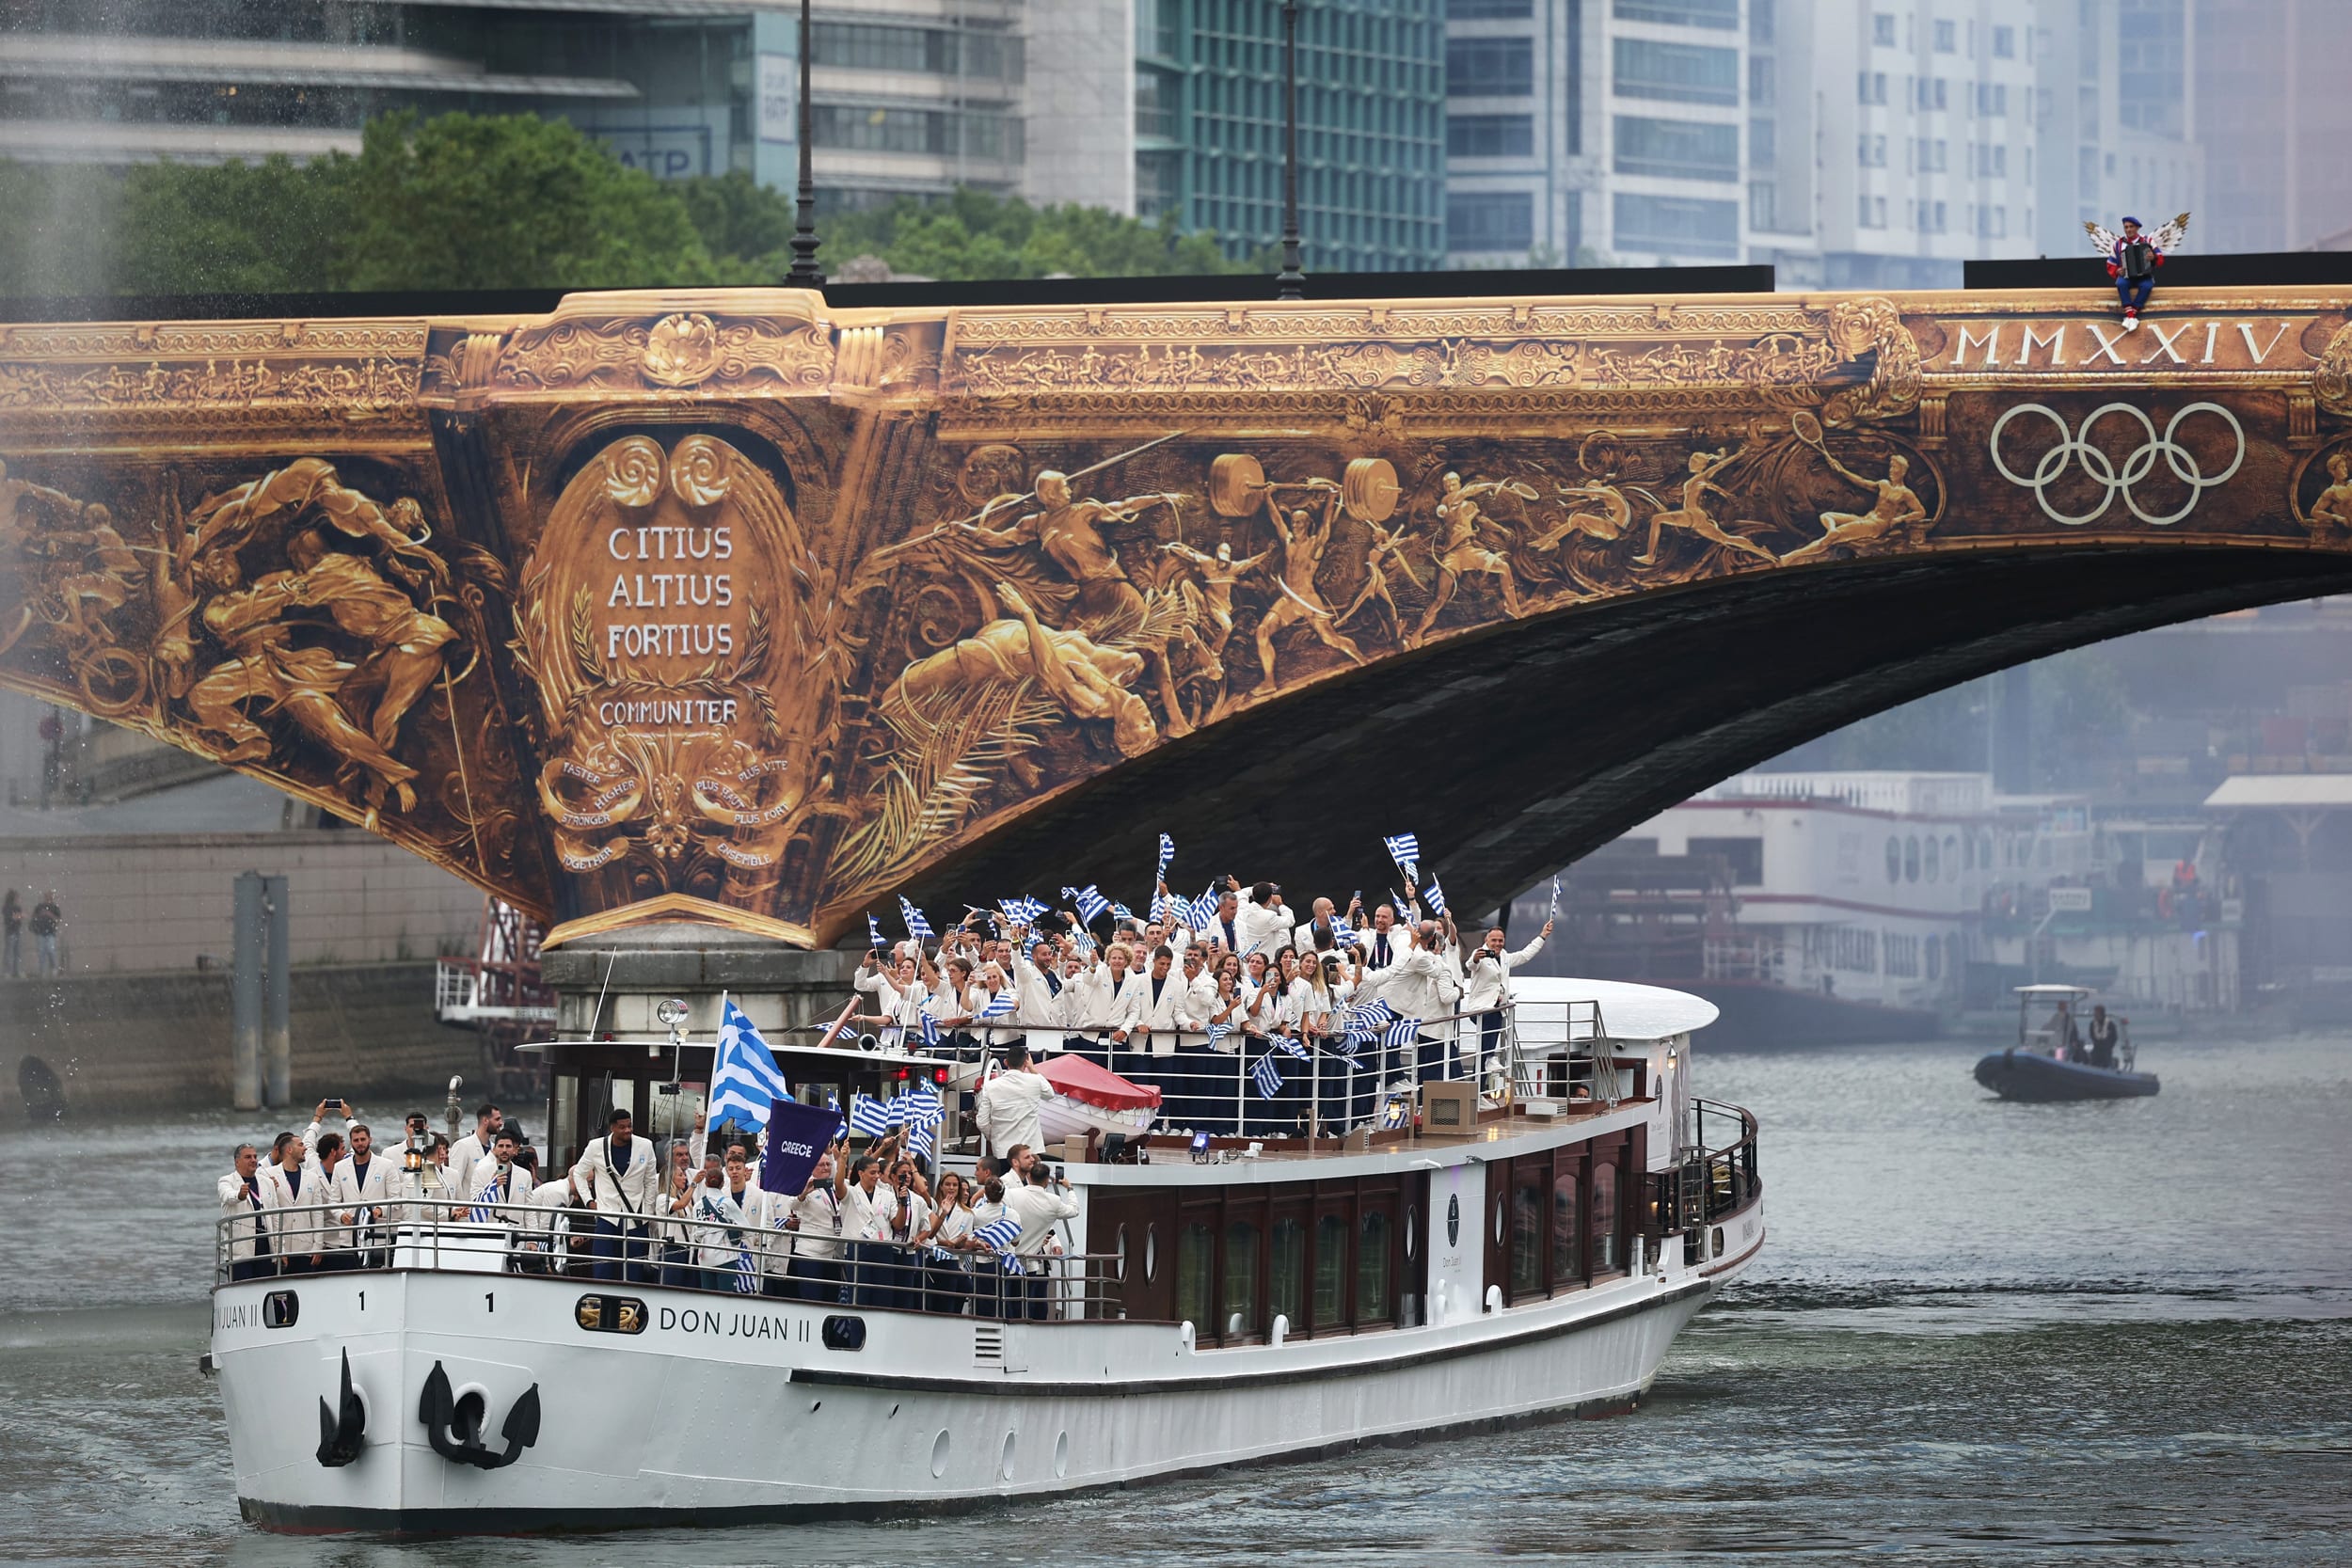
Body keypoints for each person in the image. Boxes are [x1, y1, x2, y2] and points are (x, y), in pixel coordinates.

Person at [1458, 920, 1554, 1086]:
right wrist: (1475, 958)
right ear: (1487, 940)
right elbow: (1471, 965)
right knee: (1489, 1036)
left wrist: (1543, 935)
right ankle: (1490, 1058)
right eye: (1494, 940)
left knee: (1483, 1050)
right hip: (1480, 1008)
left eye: (1500, 940)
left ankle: (1478, 1086)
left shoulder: (1504, 957)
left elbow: (1525, 955)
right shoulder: (1480, 954)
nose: (1497, 943)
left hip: (1496, 1009)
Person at [571, 1107, 660, 1283]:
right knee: (603, 1266)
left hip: (636, 1215)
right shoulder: (595, 1146)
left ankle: (632, 1299)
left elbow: (651, 1181)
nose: (627, 1130)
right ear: (612, 1128)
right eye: (622, 1127)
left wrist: (647, 1212)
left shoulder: (645, 1146)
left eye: (629, 1126)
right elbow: (579, 1174)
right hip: (607, 1215)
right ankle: (601, 1296)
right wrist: (589, 1201)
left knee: (634, 1269)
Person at [1003, 1163, 1081, 1321]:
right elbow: (1074, 1210)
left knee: (1010, 1303)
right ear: (1047, 1181)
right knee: (1030, 1304)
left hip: (1009, 1259)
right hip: (1031, 1262)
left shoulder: (1012, 1194)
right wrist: (1070, 1188)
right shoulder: (1053, 1201)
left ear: (1028, 1176)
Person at [327, 1118, 393, 1268]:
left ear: (370, 1140)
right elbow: (333, 1201)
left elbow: (395, 1199)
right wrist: (341, 1215)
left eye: (363, 1139)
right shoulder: (339, 1167)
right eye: (356, 1140)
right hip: (349, 1238)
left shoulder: (386, 1165)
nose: (360, 1143)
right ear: (351, 1143)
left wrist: (380, 1210)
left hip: (378, 1237)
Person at [787, 1140, 847, 1303]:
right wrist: (803, 1193)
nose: (826, 1168)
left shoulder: (832, 1185)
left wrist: (833, 1154)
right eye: (821, 1165)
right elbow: (792, 1204)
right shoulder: (805, 1184)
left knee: (830, 1299)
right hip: (810, 1254)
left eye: (828, 1164)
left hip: (831, 1253)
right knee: (812, 1300)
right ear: (812, 1167)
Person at [975, 1040, 1053, 1163]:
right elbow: (1049, 1094)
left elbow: (982, 1122)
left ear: (1005, 1062)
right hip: (1030, 1150)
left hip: (1003, 1150)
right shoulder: (1035, 1081)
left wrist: (994, 1136)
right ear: (1025, 1063)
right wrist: (1032, 1069)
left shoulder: (990, 1086)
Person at [260, 1129, 325, 1273]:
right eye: (301, 1145)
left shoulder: (312, 1178)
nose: (305, 1148)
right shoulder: (268, 1175)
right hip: (279, 1248)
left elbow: (317, 1213)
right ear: (289, 1150)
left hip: (305, 1247)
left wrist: (318, 1246)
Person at [218, 1142, 279, 1281]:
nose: (253, 1160)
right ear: (237, 1162)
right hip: (240, 1252)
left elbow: (276, 1217)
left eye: (255, 1156)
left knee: (266, 1288)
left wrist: (279, 1250)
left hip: (265, 1249)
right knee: (243, 1289)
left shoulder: (267, 1183)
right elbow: (227, 1196)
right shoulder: (226, 1181)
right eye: (248, 1157)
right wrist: (239, 1195)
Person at [917, 1170, 976, 1315]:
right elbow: (930, 1235)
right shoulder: (933, 1206)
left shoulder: (968, 1213)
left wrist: (958, 1243)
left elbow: (965, 1243)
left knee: (948, 1305)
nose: (951, 1188)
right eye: (948, 1184)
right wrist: (948, 1243)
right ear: (941, 1187)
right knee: (930, 1303)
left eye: (955, 1185)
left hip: (952, 1261)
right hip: (933, 1259)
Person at [2107, 215, 2164, 328]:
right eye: (2126, 227)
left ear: (2137, 228)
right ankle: (2131, 317)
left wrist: (2153, 257)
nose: (2128, 230)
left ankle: (2131, 315)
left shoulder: (2148, 240)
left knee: (2147, 286)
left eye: (2131, 227)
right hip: (2127, 275)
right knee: (2120, 283)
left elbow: (2160, 257)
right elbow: (2111, 263)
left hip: (2144, 275)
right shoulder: (2117, 244)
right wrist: (2118, 271)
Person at [449, 1103, 504, 1187]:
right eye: (497, 1119)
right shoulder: (462, 1146)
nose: (501, 1123)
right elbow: (454, 1182)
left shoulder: (495, 1148)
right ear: (485, 1120)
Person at [28, 889, 60, 977]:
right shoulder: (39, 907)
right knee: (41, 952)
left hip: (50, 933)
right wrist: (40, 915)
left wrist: (50, 915)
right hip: (40, 932)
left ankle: (54, 968)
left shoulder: (55, 907)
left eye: (50, 896)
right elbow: (33, 917)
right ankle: (42, 971)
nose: (48, 898)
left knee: (50, 950)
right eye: (47, 896)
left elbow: (58, 920)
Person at [2087, 1005, 2122, 1070]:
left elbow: (2114, 1037)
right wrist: (2096, 1042)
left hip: (2106, 1049)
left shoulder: (2110, 1024)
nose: (2095, 1014)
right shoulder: (2092, 1024)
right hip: (2096, 1048)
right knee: (2093, 1062)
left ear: (2101, 1013)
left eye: (2096, 1013)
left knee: (2107, 1063)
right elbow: (2092, 1035)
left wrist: (2109, 1046)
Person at [2, 888, 20, 978]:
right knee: (10, 952)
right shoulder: (8, 907)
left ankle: (15, 971)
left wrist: (17, 916)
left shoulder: (15, 907)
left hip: (15, 931)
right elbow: (10, 918)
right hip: (11, 931)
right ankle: (8, 971)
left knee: (16, 952)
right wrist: (18, 916)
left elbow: (16, 917)